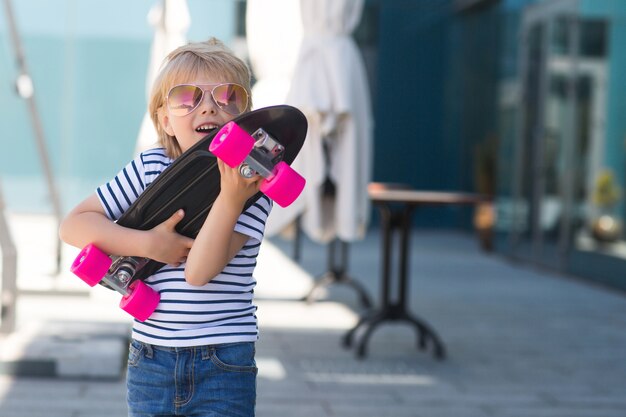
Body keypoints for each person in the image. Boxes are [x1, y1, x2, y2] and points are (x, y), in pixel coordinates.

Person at [59, 38, 269, 417]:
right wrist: (148, 244)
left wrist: (231, 197)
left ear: (244, 115)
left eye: (227, 96)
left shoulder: (253, 185)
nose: (209, 105)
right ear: (165, 120)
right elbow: (73, 225)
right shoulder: (151, 167)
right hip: (150, 358)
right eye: (187, 97)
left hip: (224, 359)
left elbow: (200, 271)